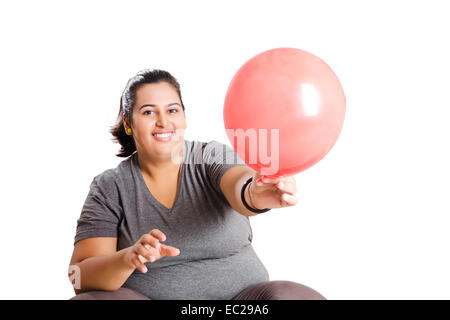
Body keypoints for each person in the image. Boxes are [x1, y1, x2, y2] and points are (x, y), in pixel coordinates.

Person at [68, 69, 326, 300]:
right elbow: (80, 276)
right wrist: (127, 258)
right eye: (148, 112)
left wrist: (255, 194)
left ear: (183, 116)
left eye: (172, 110)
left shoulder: (211, 156)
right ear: (127, 122)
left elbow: (240, 184)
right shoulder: (110, 187)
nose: (163, 121)